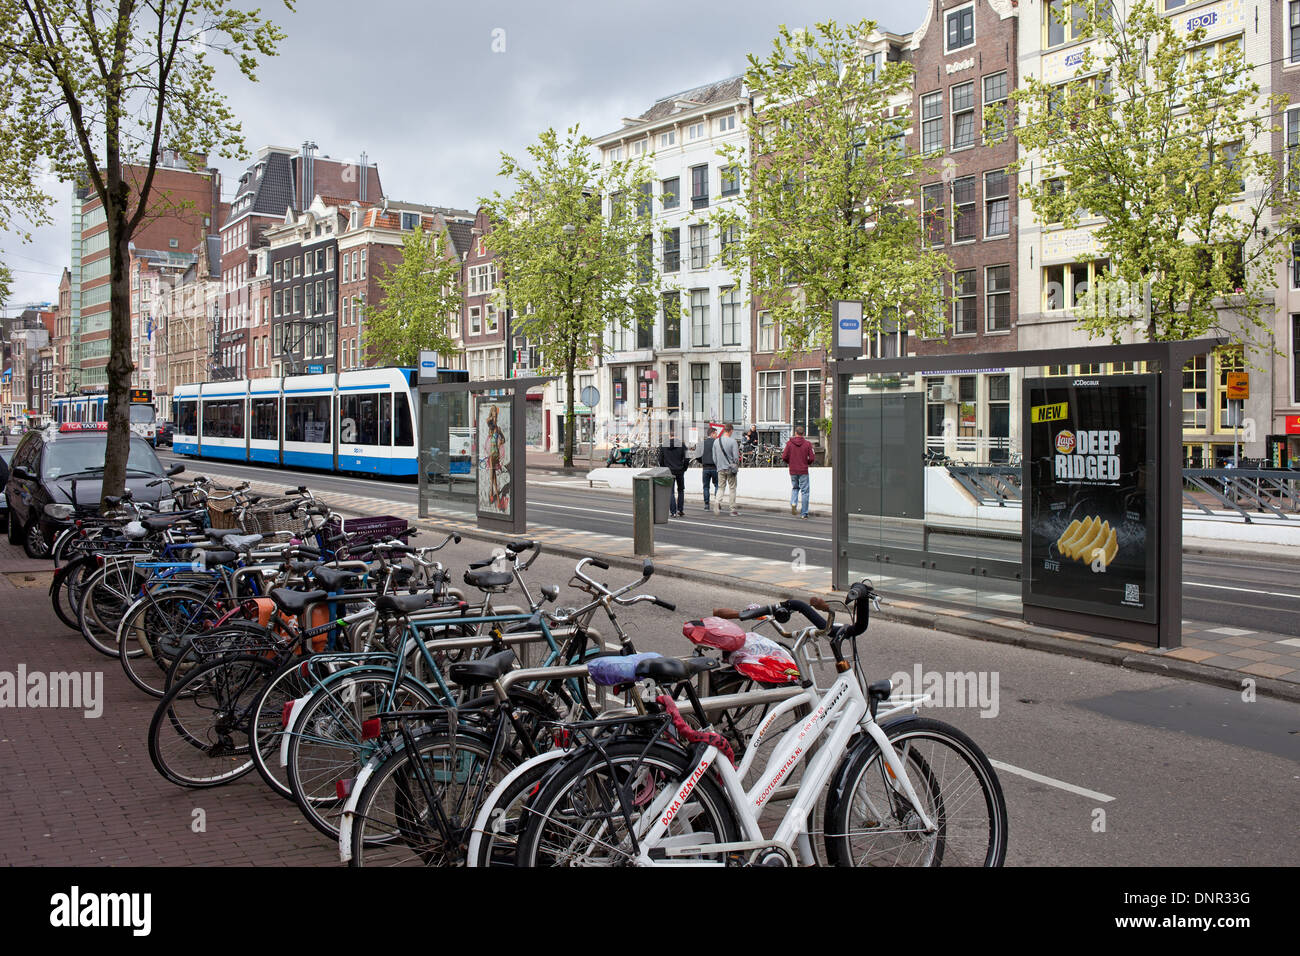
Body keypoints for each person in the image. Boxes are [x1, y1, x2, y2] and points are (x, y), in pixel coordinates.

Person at [782, 424, 817, 519]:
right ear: (803, 433)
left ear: (795, 433)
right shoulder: (808, 444)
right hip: (803, 470)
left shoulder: (789, 443)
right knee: (805, 492)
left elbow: (784, 456)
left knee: (795, 488)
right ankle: (804, 513)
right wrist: (807, 462)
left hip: (793, 470)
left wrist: (790, 462)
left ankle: (793, 503)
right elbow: (812, 458)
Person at [658, 423, 688, 517]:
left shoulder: (663, 446)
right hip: (679, 471)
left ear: (669, 436)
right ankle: (680, 509)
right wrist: (684, 468)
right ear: (676, 436)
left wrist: (665, 468)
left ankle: (673, 512)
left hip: (669, 471)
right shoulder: (682, 445)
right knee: (681, 490)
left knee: (671, 491)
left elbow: (660, 460)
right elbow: (687, 458)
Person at [713, 423, 741, 516]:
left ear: (724, 430)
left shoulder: (716, 441)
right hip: (730, 469)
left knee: (721, 487)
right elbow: (736, 457)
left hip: (720, 468)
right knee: (732, 488)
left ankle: (717, 502)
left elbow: (714, 457)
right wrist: (735, 465)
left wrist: (718, 465)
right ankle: (732, 510)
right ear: (731, 431)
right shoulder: (733, 442)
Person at [700, 427, 718, 511]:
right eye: (716, 433)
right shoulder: (716, 443)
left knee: (706, 487)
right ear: (712, 434)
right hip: (715, 467)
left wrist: (702, 461)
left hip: (705, 468)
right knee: (717, 485)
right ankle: (717, 502)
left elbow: (697, 456)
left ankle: (706, 505)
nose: (717, 435)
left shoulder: (702, 443)